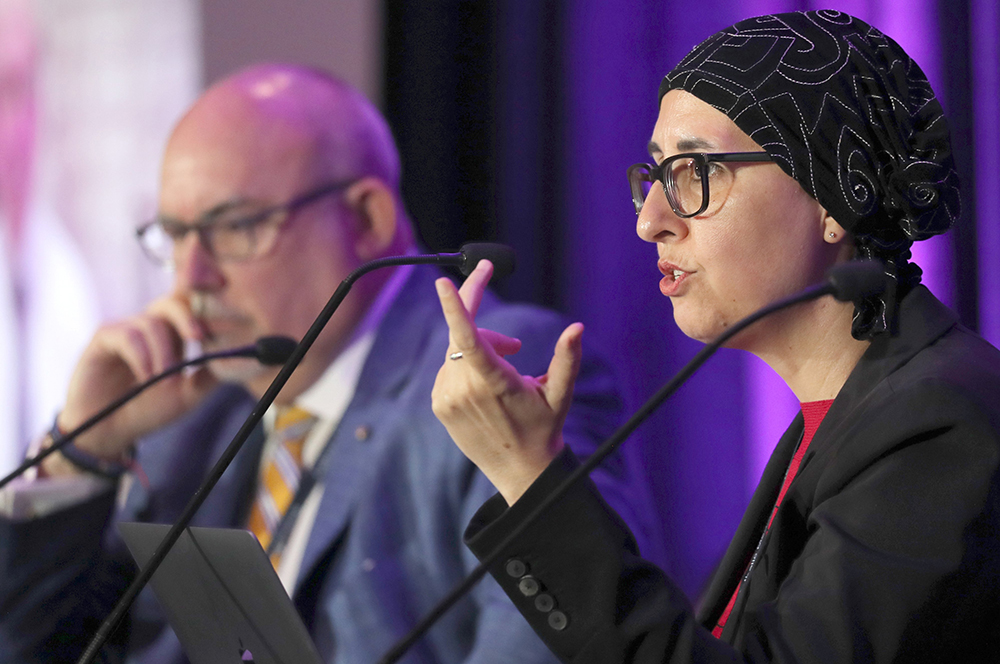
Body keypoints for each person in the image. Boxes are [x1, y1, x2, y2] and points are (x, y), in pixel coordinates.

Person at [0, 64, 643, 664]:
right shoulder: (193, 416)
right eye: (174, 236)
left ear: (366, 218)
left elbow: (555, 646)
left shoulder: (490, 371)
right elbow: (36, 649)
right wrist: (81, 453)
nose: (191, 278)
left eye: (234, 228)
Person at [431, 10, 1000, 663]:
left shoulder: (939, 424)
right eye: (655, 175)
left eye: (695, 173)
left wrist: (528, 473)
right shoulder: (850, 417)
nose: (651, 221)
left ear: (834, 196)